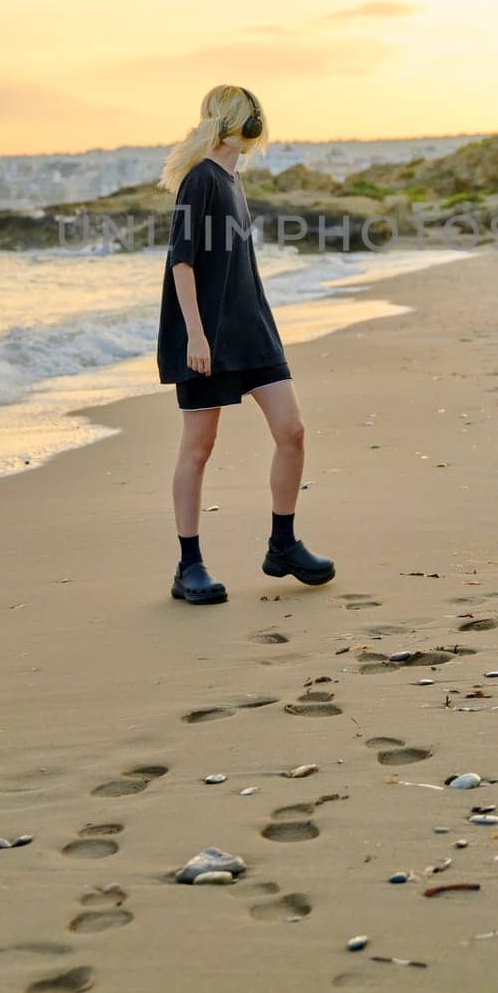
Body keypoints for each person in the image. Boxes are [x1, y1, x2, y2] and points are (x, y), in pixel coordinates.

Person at [156, 84, 335, 604]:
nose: (259, 121)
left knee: (292, 430)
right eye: (253, 113)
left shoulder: (233, 178)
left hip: (252, 330)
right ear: (239, 121)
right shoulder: (201, 180)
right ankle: (188, 567)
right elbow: (181, 263)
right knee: (199, 447)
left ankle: (283, 545)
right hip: (205, 338)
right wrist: (195, 334)